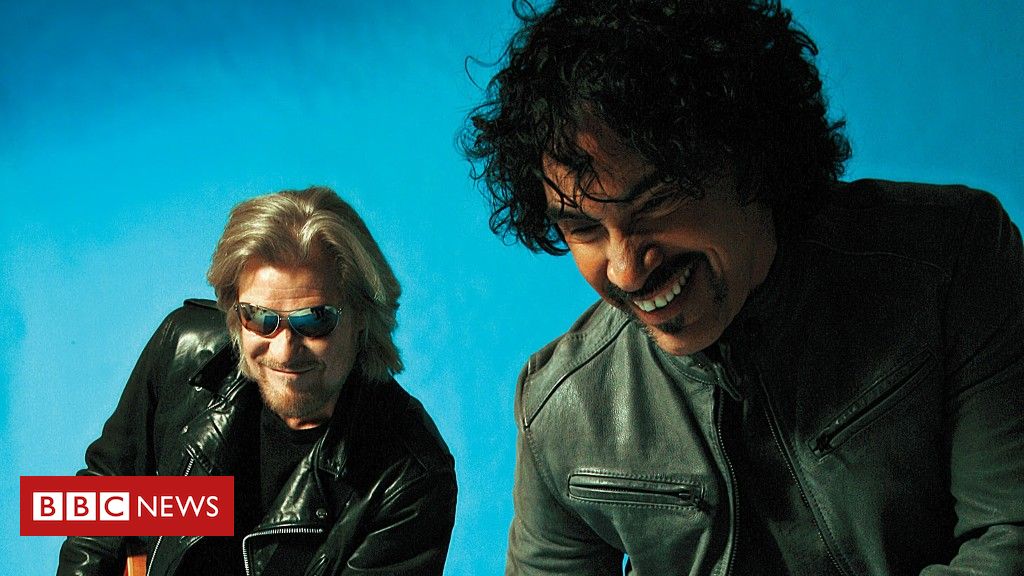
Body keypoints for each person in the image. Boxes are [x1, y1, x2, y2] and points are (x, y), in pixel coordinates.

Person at [463, 1, 1024, 574]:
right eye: (584, 228)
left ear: (752, 157)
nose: (626, 270)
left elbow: (1010, 538)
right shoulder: (562, 411)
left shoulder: (950, 260)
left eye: (655, 203)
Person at [57, 187, 457, 576]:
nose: (284, 350)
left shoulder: (411, 475)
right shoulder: (185, 351)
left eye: (314, 320)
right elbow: (104, 498)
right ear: (235, 312)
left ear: (362, 317)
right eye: (261, 318)